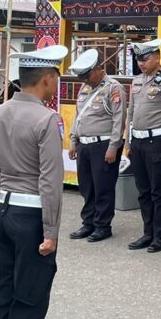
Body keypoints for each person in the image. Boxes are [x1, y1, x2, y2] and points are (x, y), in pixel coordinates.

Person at [0, 44, 68, 319]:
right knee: (30, 298)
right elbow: (50, 179)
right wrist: (51, 231)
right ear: (47, 79)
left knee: (3, 294)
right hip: (31, 216)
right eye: (56, 76)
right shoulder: (47, 119)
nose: (56, 83)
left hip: (2, 212)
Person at [125, 38, 161, 253]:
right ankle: (147, 233)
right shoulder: (137, 81)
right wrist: (128, 142)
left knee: (158, 191)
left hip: (156, 142)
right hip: (138, 142)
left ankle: (160, 236)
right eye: (139, 60)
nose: (141, 63)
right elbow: (131, 113)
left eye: (145, 59)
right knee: (143, 191)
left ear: (157, 58)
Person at [66, 49, 126, 243]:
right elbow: (78, 116)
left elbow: (119, 119)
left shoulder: (113, 88)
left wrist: (113, 146)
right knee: (87, 187)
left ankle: (102, 226)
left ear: (98, 69)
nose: (84, 80)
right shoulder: (85, 88)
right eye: (82, 77)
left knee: (103, 187)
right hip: (84, 145)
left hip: (103, 145)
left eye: (87, 75)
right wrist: (73, 141)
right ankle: (88, 223)